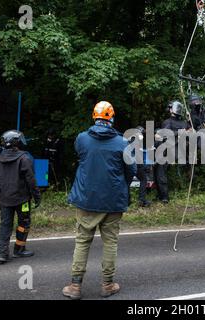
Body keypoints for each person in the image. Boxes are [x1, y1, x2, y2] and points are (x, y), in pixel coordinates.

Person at [62, 101, 136, 300]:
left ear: (94, 116)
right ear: (111, 118)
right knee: (110, 242)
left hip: (86, 199)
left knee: (82, 241)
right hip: (113, 201)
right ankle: (107, 284)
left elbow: (82, 157)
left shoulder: (82, 139)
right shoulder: (123, 142)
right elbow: (132, 171)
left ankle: (75, 286)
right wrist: (121, 186)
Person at [0, 130, 41, 264]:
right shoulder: (24, 158)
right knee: (24, 223)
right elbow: (31, 180)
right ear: (17, 142)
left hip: (5, 200)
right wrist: (37, 196)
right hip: (22, 199)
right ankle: (19, 249)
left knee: (5, 225)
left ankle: (2, 254)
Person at [154, 100, 189, 203]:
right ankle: (160, 195)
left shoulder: (168, 122)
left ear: (171, 109)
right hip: (180, 152)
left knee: (160, 173)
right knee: (161, 172)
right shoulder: (184, 123)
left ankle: (164, 197)